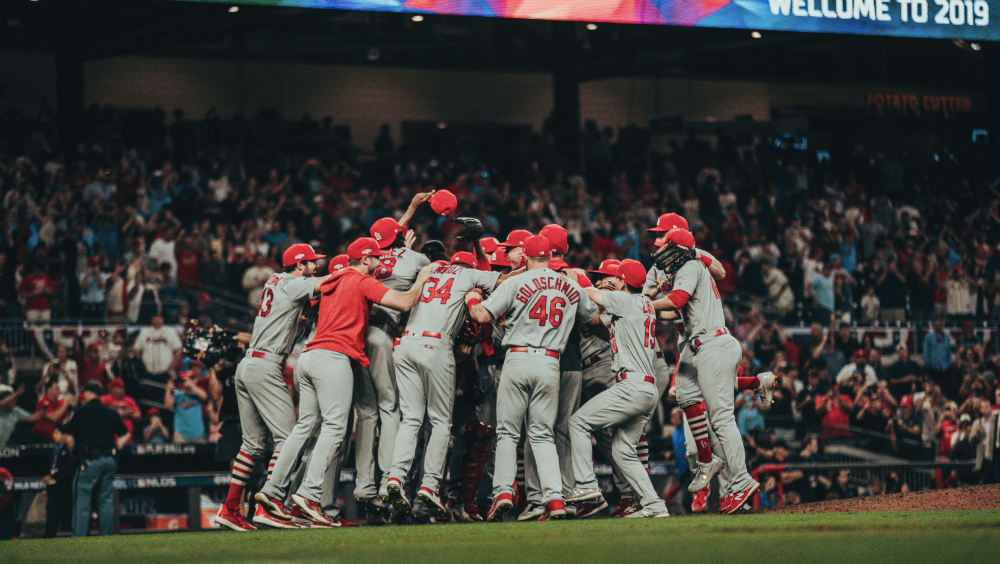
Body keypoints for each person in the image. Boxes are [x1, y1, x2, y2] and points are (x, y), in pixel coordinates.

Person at [262, 237, 430, 528]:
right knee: (335, 427)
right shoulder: (360, 280)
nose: (380, 263)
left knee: (304, 428)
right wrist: (422, 279)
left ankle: (272, 491)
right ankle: (310, 494)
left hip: (308, 356)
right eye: (375, 258)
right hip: (333, 358)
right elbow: (404, 301)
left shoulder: (332, 279)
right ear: (364, 260)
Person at [465, 235, 601, 522]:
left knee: (508, 432)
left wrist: (472, 295)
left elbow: (480, 315)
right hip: (551, 362)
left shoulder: (515, 282)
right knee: (543, 434)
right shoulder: (571, 285)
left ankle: (503, 492)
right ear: (550, 256)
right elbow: (595, 320)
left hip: (517, 357)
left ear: (525, 257)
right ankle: (555, 499)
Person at [217, 243, 329, 532]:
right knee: (289, 438)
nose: (316, 266)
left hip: (249, 363)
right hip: (265, 365)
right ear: (299, 264)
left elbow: (295, 315)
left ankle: (230, 508)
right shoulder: (294, 282)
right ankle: (271, 503)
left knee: (252, 444)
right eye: (311, 262)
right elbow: (327, 283)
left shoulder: (274, 280)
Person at [385, 250, 503, 518]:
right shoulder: (468, 275)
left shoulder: (429, 272)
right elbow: (503, 280)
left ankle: (394, 479)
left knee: (411, 419)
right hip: (436, 345)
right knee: (440, 422)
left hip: (405, 344)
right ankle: (429, 486)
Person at [651, 229, 762, 515]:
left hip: (711, 343)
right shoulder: (689, 266)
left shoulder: (690, 265)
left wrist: (642, 305)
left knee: (722, 420)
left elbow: (675, 301)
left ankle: (741, 481)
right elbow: (674, 310)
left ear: (681, 250)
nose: (662, 252)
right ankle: (706, 458)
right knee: (686, 395)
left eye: (668, 247)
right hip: (697, 347)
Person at [564, 259, 669, 518]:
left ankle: (587, 485)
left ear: (622, 281)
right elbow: (602, 324)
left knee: (578, 423)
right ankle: (654, 505)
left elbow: (586, 293)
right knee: (622, 451)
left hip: (632, 384)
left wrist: (570, 277)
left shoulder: (627, 301)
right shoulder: (641, 305)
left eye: (615, 278)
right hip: (645, 386)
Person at [354, 196, 431, 512]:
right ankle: (390, 480)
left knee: (365, 412)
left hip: (358, 336)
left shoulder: (366, 258)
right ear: (404, 236)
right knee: (390, 408)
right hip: (385, 335)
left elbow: (387, 239)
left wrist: (409, 212)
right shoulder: (415, 260)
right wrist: (412, 248)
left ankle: (363, 486)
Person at [62, 381, 130, 536]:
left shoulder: (80, 411)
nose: (83, 394)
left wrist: (74, 455)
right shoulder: (110, 411)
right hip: (109, 460)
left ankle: (80, 537)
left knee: (83, 500)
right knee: (105, 500)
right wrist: (117, 446)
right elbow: (125, 434)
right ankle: (105, 535)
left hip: (89, 460)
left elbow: (69, 439)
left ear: (89, 392)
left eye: (85, 391)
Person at [133, 314, 182, 400]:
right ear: (152, 319)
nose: (157, 320)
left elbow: (178, 350)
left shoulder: (170, 331)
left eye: (159, 318)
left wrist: (172, 366)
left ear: (162, 319)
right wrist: (142, 364)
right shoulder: (145, 332)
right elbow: (137, 349)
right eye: (155, 318)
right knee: (149, 396)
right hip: (148, 371)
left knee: (165, 396)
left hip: (165, 371)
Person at [43, 425, 76, 538]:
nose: (53, 436)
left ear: (65, 435)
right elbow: (51, 469)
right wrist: (47, 487)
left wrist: (54, 476)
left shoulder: (69, 450)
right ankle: (47, 543)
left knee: (66, 519)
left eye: (57, 433)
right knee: (51, 519)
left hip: (66, 490)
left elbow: (69, 469)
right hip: (53, 491)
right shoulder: (54, 451)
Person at [165, 370, 208, 443]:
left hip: (198, 433)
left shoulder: (197, 394)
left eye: (188, 379)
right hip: (181, 433)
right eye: (184, 380)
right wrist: (168, 390)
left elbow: (205, 397)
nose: (185, 382)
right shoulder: (178, 394)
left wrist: (192, 385)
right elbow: (167, 405)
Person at [101, 378, 141, 445]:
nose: (123, 390)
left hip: (128, 439)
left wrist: (130, 415)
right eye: (120, 388)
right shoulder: (105, 400)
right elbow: (102, 417)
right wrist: (123, 414)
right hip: (111, 439)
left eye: (123, 387)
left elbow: (139, 416)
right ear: (113, 388)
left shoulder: (129, 400)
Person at [79, 257, 108, 322]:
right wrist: (88, 274)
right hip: (86, 306)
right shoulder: (83, 275)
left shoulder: (102, 275)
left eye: (96, 265)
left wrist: (97, 273)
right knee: (86, 329)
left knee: (101, 331)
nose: (94, 267)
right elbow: (83, 287)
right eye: (92, 265)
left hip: (98, 306)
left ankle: (101, 332)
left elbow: (101, 286)